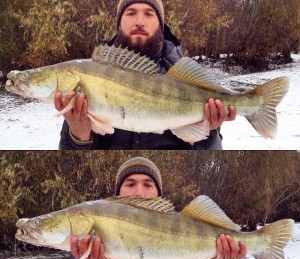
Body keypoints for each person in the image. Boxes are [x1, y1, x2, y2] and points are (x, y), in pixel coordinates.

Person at [55, 0, 237, 150]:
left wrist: (208, 132)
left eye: (149, 13)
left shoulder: (180, 75)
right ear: (119, 23)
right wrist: (79, 134)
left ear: (161, 24)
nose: (139, 21)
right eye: (131, 13)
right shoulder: (92, 75)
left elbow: (212, 152)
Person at [59, 157, 247, 259]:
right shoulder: (85, 251)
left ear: (159, 194)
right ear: (117, 196)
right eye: (130, 184)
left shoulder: (185, 229)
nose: (139, 193)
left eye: (148, 185)